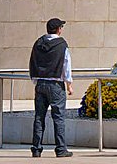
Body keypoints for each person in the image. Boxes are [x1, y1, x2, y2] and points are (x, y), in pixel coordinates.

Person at [28, 18, 73, 158]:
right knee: (58, 117)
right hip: (55, 85)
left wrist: (35, 80)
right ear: (58, 29)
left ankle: (36, 148)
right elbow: (66, 66)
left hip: (40, 83)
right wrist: (69, 84)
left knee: (39, 117)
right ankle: (60, 149)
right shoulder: (62, 45)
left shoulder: (38, 43)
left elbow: (32, 61)